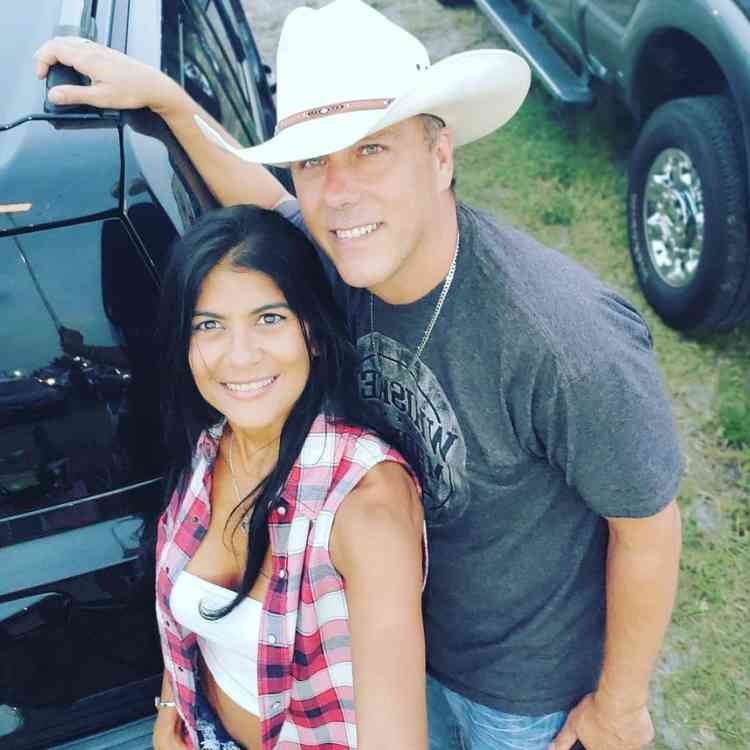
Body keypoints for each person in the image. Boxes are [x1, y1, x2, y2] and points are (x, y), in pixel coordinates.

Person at [35, 2, 684, 748]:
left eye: (372, 149)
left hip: (524, 688)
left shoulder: (565, 340)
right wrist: (172, 104)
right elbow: (265, 205)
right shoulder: (340, 258)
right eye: (315, 160)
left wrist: (620, 706)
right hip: (401, 636)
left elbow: (646, 523)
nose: (338, 193)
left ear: (442, 156)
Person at [151, 205, 426, 749]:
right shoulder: (210, 444)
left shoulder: (364, 507)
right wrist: (168, 711)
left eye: (269, 318)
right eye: (209, 325)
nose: (239, 356)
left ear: (315, 334)